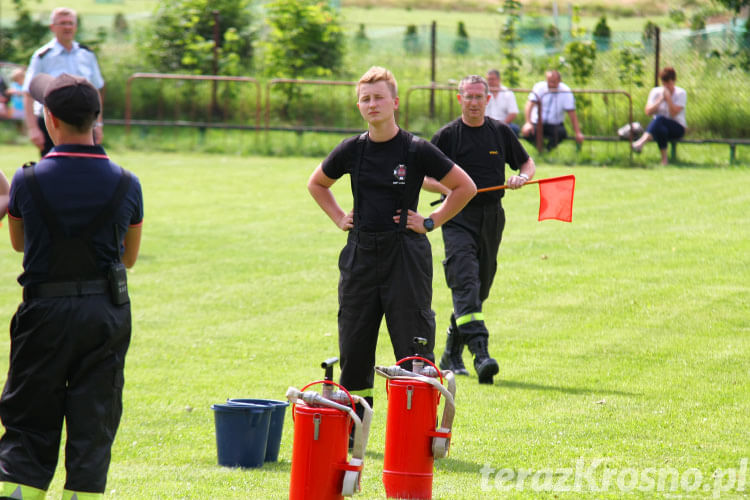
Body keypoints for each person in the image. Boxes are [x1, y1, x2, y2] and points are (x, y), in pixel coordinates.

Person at [1, 72, 143, 500]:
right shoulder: (127, 181)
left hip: (44, 312)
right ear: (95, 120)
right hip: (105, 313)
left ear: (50, 121)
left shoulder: (27, 180)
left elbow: (19, 243)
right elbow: (129, 257)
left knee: (27, 427)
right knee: (93, 425)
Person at [307, 66, 476, 414]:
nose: (372, 104)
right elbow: (317, 183)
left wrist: (430, 221)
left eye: (379, 97)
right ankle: (354, 432)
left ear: (395, 102)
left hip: (405, 257)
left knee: (413, 350)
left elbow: (465, 187)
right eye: (365, 99)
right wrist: (340, 217)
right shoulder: (351, 149)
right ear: (359, 106)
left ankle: (413, 436)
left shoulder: (416, 149)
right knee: (353, 348)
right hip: (360, 257)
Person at [424, 75, 536, 384]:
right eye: (468, 97)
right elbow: (423, 177)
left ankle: (450, 351)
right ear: (459, 99)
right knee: (465, 281)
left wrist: (521, 178)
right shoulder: (446, 136)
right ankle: (481, 353)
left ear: (488, 100)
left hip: (492, 216)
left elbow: (527, 164)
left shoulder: (500, 132)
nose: (473, 102)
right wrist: (450, 189)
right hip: (456, 215)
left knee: (479, 288)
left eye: (479, 97)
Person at [23, 7, 105, 157]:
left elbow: (96, 91)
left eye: (70, 23)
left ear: (76, 26)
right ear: (52, 27)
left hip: (84, 123)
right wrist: (33, 128)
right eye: (62, 23)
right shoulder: (42, 56)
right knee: (52, 171)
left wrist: (98, 124)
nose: (67, 27)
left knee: (85, 169)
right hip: (53, 123)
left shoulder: (87, 54)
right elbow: (29, 93)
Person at [631, 67, 686, 165]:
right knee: (661, 129)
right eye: (664, 84)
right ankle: (664, 160)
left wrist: (668, 99)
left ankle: (640, 143)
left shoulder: (681, 93)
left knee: (659, 119)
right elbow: (648, 112)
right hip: (658, 127)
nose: (666, 87)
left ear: (674, 81)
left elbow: (673, 114)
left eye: (669, 83)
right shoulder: (655, 92)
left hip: (677, 127)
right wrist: (660, 100)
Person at [521, 69, 584, 150]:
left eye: (554, 82)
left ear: (560, 81)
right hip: (536, 123)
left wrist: (578, 132)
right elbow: (529, 105)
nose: (551, 84)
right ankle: (540, 150)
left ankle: (547, 151)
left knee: (561, 133)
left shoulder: (566, 91)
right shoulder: (539, 87)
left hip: (555, 124)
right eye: (549, 81)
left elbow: (571, 112)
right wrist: (528, 123)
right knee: (526, 132)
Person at [485, 69, 520, 136]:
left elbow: (513, 113)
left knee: (515, 129)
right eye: (488, 79)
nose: (490, 82)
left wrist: (501, 125)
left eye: (492, 79)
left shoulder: (508, 93)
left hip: (503, 123)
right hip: (486, 123)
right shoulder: (482, 93)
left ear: (499, 79)